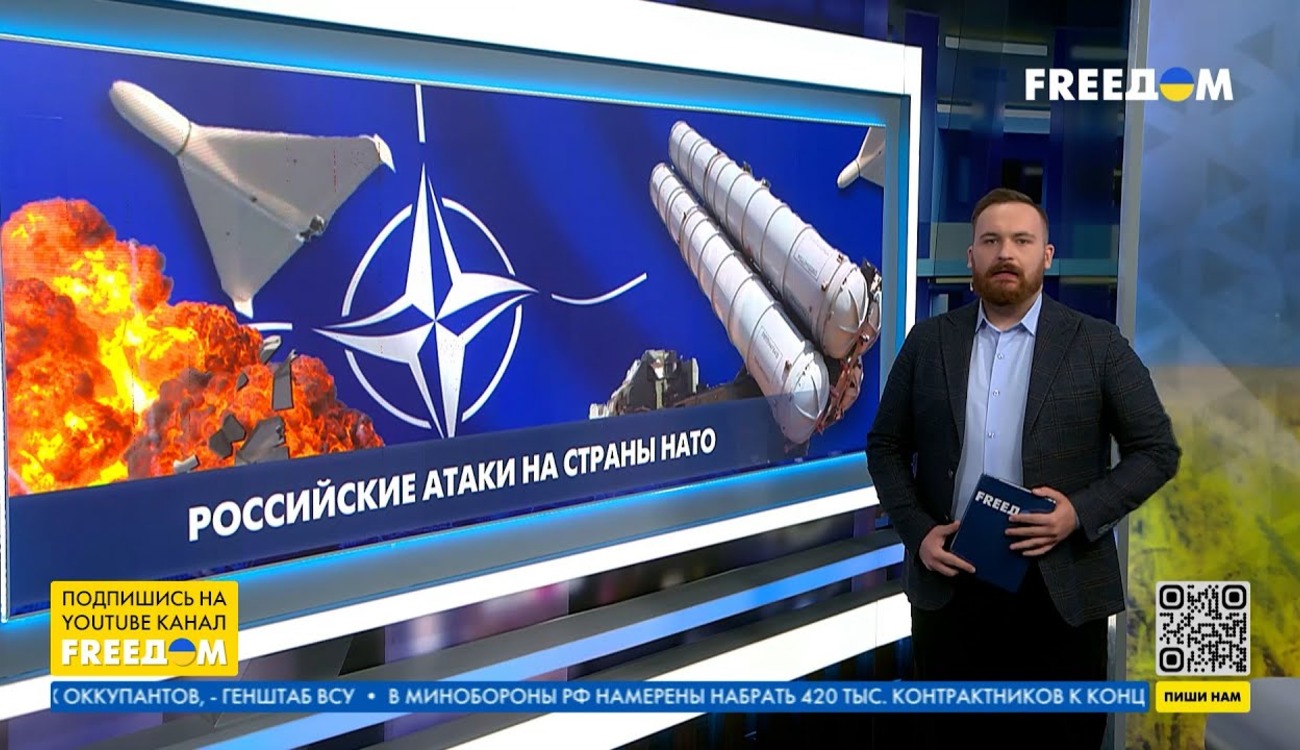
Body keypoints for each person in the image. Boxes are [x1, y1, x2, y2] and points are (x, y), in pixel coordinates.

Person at [866, 188, 1180, 749]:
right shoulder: (928, 342)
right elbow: (885, 446)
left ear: (1047, 255)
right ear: (971, 256)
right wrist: (918, 533)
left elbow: (1156, 450)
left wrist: (1077, 513)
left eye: (1021, 241)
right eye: (991, 241)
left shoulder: (1097, 344)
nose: (1005, 253)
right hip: (950, 586)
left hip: (1061, 596)